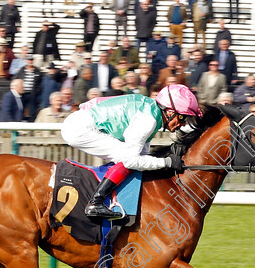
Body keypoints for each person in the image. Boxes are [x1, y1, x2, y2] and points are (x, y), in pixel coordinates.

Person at [61, 84, 200, 219]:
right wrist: (166, 162)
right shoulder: (148, 120)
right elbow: (131, 160)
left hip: (82, 123)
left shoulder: (152, 111)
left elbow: (143, 155)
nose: (183, 123)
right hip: (79, 129)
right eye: (182, 117)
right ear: (170, 112)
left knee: (133, 158)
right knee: (128, 159)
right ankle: (95, 202)